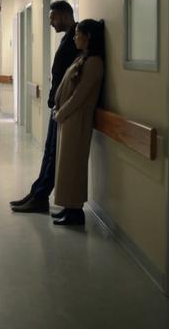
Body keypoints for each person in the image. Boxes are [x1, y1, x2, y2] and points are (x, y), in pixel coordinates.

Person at [10, 0, 79, 214]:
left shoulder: (76, 40)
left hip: (64, 107)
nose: (50, 23)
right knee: (49, 152)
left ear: (65, 15)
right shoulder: (68, 38)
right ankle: (36, 193)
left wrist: (57, 101)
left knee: (53, 154)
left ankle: (40, 197)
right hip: (57, 104)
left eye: (53, 18)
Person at [50, 19, 106, 226]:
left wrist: (61, 112)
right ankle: (68, 207)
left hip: (77, 119)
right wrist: (58, 109)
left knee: (73, 166)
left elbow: (80, 95)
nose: (74, 37)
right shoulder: (82, 58)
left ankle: (75, 212)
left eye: (78, 34)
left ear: (88, 36)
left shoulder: (94, 63)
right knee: (65, 165)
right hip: (67, 118)